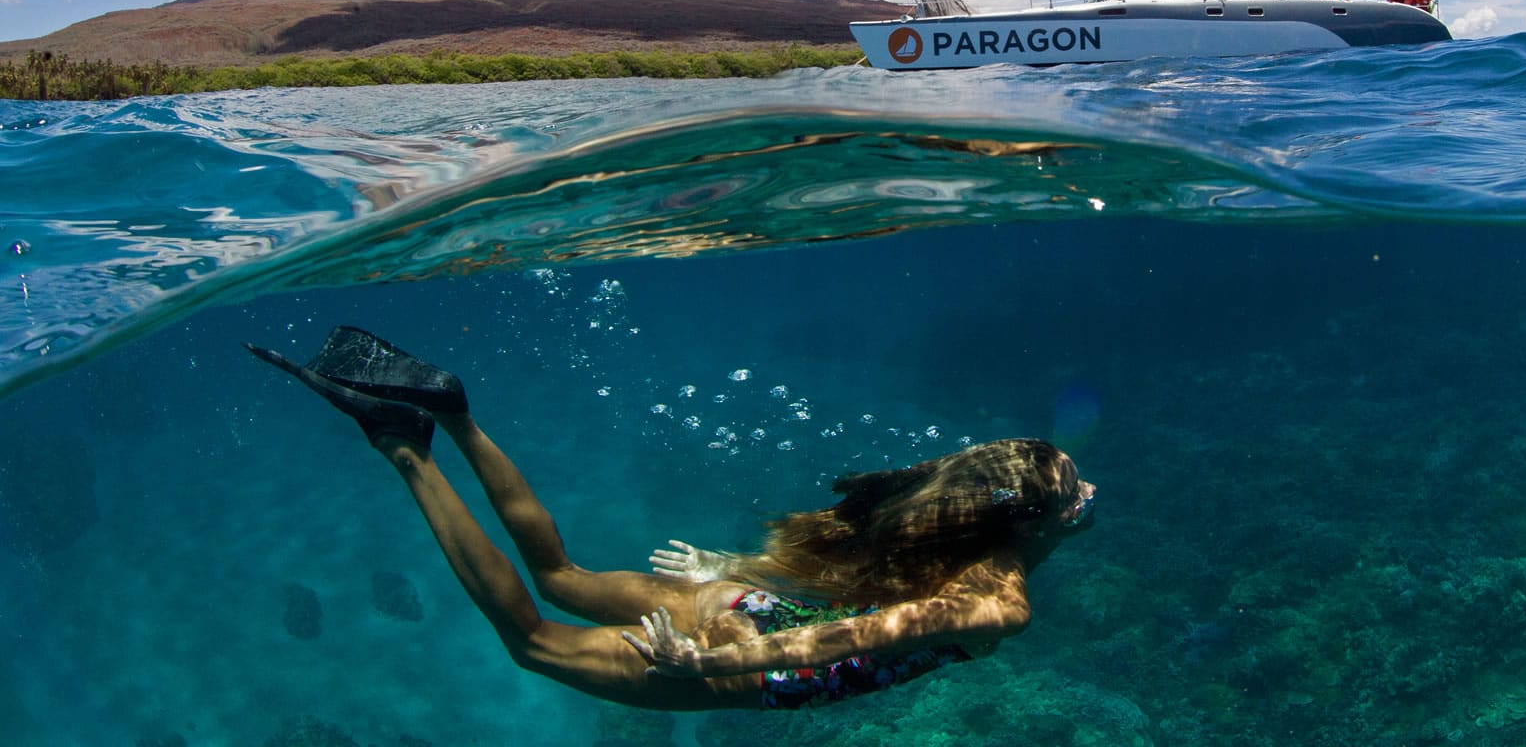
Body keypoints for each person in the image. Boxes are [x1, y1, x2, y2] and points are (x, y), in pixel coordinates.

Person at [245, 326, 1097, 711]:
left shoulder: (939, 537)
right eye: (1073, 490)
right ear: (1027, 520)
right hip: (749, 658)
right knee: (532, 640)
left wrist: (731, 574)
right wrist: (699, 670)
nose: (1087, 495)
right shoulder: (1000, 603)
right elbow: (851, 639)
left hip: (740, 613)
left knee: (562, 576)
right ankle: (408, 448)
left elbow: (850, 596)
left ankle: (461, 418)